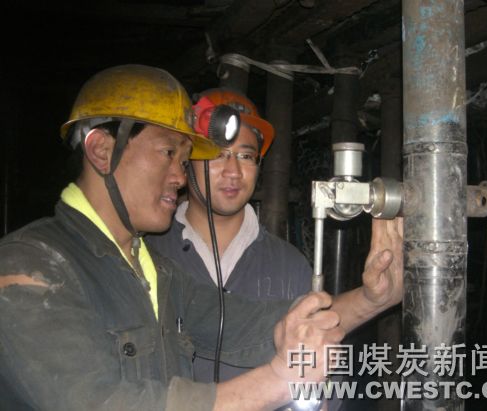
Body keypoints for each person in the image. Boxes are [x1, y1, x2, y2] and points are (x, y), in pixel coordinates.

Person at [0, 64, 404, 411]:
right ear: (103, 151)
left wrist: (374, 298)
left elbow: (256, 324)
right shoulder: (29, 265)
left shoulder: (155, 273)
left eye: (183, 159)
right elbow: (102, 403)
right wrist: (277, 381)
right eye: (168, 154)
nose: (180, 177)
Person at [146, 88, 312, 385]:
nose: (233, 171)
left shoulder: (291, 266)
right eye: (218, 155)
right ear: (186, 162)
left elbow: (321, 374)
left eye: (246, 156)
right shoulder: (146, 253)